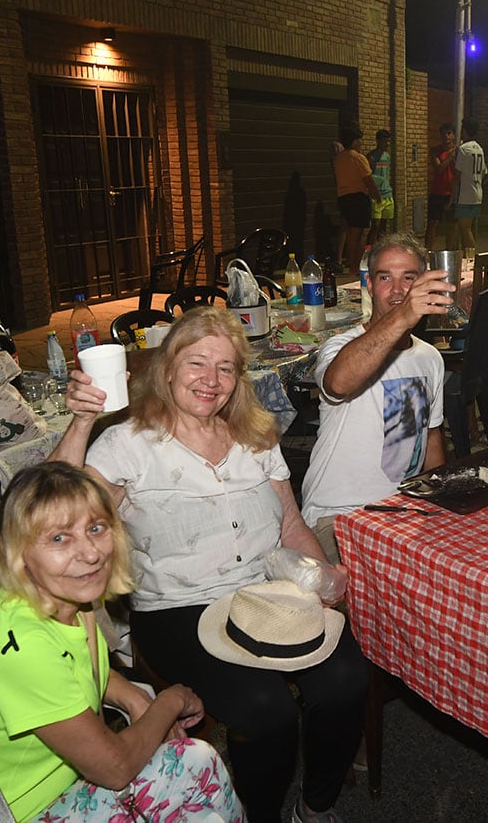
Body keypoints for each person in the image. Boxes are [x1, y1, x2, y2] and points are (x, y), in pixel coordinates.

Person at [50, 306, 365, 823]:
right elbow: (54, 516)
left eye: (225, 368)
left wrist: (324, 579)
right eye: (197, 363)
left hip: (267, 598)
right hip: (178, 607)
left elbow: (288, 523)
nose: (211, 380)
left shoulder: (255, 436)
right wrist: (83, 419)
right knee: (267, 712)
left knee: (346, 677)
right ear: (167, 368)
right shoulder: (128, 444)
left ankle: (315, 806)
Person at [0, 461, 243, 822]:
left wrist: (131, 696)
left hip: (53, 796)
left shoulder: (69, 601)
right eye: (59, 538)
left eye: (96, 528)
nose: (91, 553)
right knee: (196, 776)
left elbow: (73, 666)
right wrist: (170, 700)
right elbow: (114, 768)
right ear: (18, 553)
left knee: (196, 764)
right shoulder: (22, 644)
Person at [301, 232, 449, 562]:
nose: (397, 291)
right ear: (369, 285)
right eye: (385, 278)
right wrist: (404, 315)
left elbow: (431, 436)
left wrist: (440, 507)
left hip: (403, 512)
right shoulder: (340, 347)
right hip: (338, 514)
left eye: (408, 279)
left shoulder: (430, 358)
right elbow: (338, 383)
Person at [334, 126, 380, 273]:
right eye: (359, 139)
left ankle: (352, 263)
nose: (360, 142)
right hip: (357, 198)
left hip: (343, 198)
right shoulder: (358, 158)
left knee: (350, 232)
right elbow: (368, 180)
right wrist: (377, 195)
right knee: (357, 234)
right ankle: (354, 266)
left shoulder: (339, 158)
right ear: (354, 141)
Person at [453, 117, 488, 259]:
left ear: (465, 131)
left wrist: (452, 197)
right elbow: (484, 171)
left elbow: (457, 174)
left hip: (465, 194)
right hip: (477, 193)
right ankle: (466, 257)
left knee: (465, 230)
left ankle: (472, 259)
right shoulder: (479, 148)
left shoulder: (463, 149)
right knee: (467, 228)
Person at [425, 123, 457, 251]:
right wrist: (451, 156)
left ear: (453, 135)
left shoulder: (459, 151)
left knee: (451, 225)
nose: (446, 136)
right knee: (432, 223)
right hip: (437, 192)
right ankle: (427, 251)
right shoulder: (435, 151)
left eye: (449, 133)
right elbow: (439, 168)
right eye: (444, 133)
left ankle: (449, 252)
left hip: (451, 192)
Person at [366, 129, 394, 248]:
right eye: (384, 141)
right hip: (376, 194)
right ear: (378, 141)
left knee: (384, 225)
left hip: (387, 194)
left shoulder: (387, 156)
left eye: (388, 141)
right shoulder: (371, 156)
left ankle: (382, 249)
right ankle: (368, 250)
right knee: (375, 225)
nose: (387, 144)